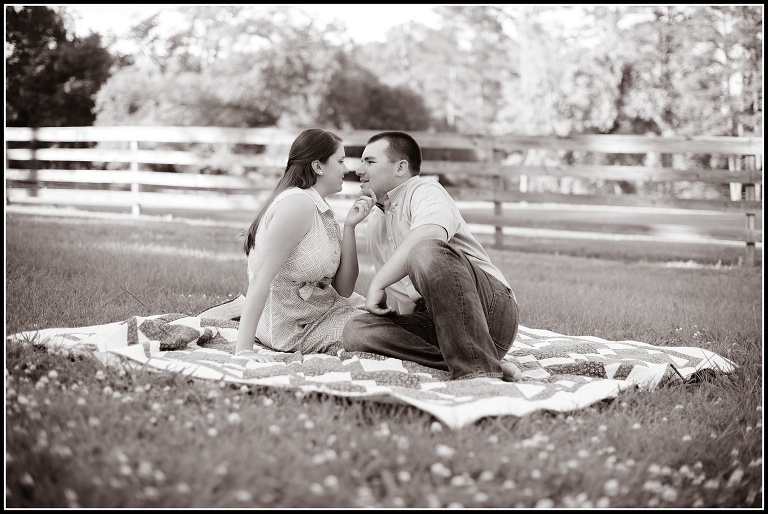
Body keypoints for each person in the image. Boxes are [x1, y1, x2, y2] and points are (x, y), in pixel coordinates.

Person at [341, 131, 522, 383]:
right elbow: (404, 299)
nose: (359, 169)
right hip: (437, 324)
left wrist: (378, 281)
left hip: (489, 310)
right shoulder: (374, 222)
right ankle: (482, 361)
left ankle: (478, 372)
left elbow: (430, 237)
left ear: (401, 167)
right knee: (356, 331)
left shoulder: (425, 190)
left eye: (369, 161)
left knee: (425, 249)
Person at [234, 128, 374, 361]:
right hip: (292, 328)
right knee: (384, 333)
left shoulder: (318, 208)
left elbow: (344, 289)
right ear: (318, 167)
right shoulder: (297, 205)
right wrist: (244, 350)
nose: (346, 169)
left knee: (389, 321)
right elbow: (261, 278)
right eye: (340, 161)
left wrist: (350, 227)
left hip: (320, 313)